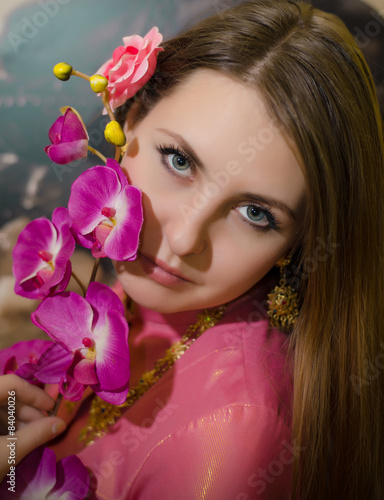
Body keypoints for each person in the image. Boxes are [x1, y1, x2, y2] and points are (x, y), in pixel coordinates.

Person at [1, 0, 384, 498]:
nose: (182, 241)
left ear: (298, 242)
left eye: (255, 214)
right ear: (128, 117)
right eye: (179, 161)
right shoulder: (132, 298)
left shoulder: (232, 436)